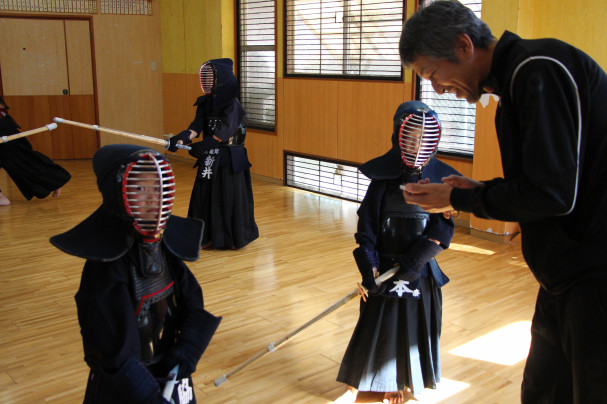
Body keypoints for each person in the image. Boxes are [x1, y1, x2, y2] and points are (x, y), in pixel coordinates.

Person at [399, 1, 607, 403]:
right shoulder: (513, 86)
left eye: (432, 74)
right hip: (563, 277)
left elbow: (553, 195)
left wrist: (461, 197)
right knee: (543, 391)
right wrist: (474, 190)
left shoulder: (539, 69)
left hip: (595, 274)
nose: (438, 88)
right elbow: (544, 185)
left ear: (463, 46)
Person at [50, 144, 221, 404]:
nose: (153, 198)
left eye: (157, 188)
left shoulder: (165, 246)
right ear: (117, 192)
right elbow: (112, 344)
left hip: (170, 369)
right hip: (125, 382)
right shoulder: (107, 266)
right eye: (140, 189)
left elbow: (191, 296)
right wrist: (149, 397)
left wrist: (187, 351)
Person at [334, 101, 459, 404]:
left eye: (423, 138)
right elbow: (367, 223)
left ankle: (405, 382)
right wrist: (369, 264)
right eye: (410, 138)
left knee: (414, 329)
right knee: (379, 325)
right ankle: (368, 381)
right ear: (398, 137)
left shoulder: (440, 181)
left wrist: (417, 259)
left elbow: (442, 230)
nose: (417, 145)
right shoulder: (383, 180)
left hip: (419, 267)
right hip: (385, 267)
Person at [168, 58, 259, 250]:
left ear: (221, 79)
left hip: (229, 157)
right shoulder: (205, 102)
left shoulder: (232, 104)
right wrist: (183, 138)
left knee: (225, 197)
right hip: (211, 156)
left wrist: (204, 145)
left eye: (211, 78)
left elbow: (225, 132)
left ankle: (227, 239)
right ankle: (203, 236)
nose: (207, 82)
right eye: (205, 78)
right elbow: (197, 126)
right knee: (204, 195)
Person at [0, 96, 70, 205]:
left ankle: (55, 179)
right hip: (4, 128)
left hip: (4, 129)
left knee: (22, 158)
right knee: (14, 160)